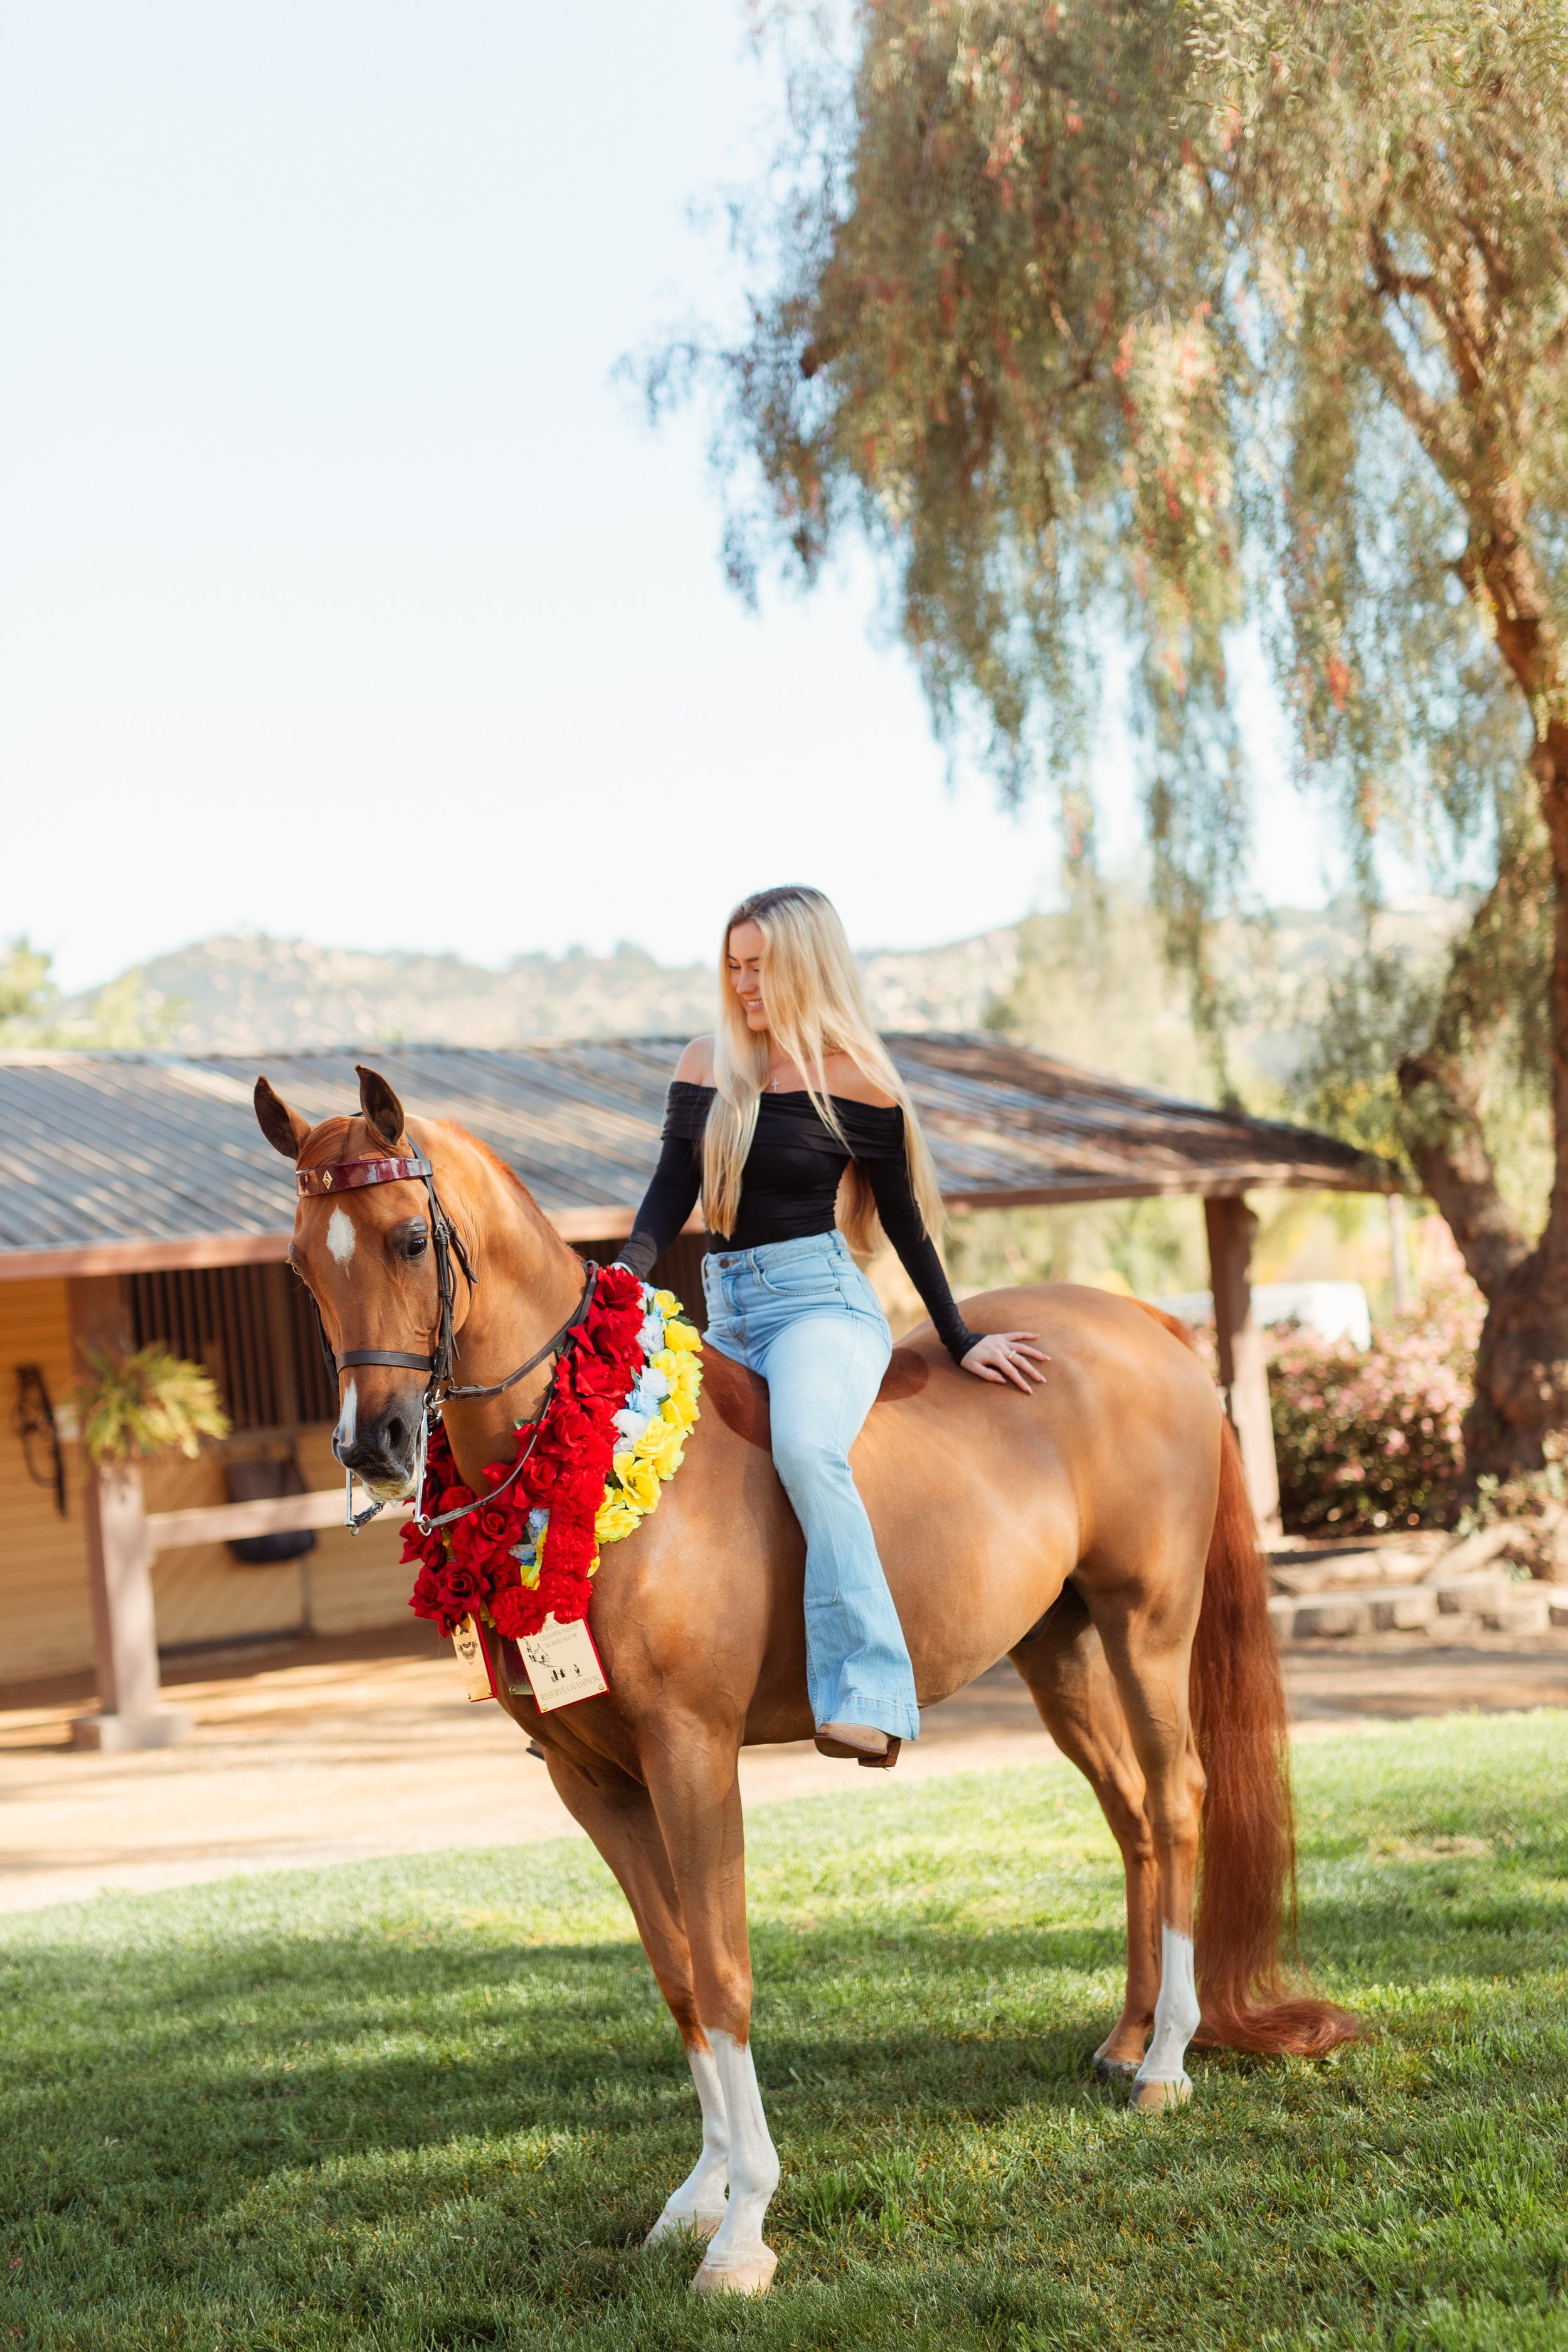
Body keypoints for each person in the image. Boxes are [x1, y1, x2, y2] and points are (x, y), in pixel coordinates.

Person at [617, 884, 1048, 1766]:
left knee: (809, 1449)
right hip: (725, 1308)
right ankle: (595, 1692)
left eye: (761, 967)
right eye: (733, 966)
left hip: (821, 1308)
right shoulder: (707, 1065)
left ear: (807, 966)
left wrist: (961, 1335)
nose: (743, 985)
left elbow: (904, 1223)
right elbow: (672, 1189)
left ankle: (870, 1690)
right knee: (627, 1440)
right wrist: (622, 1281)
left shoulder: (857, 1080)